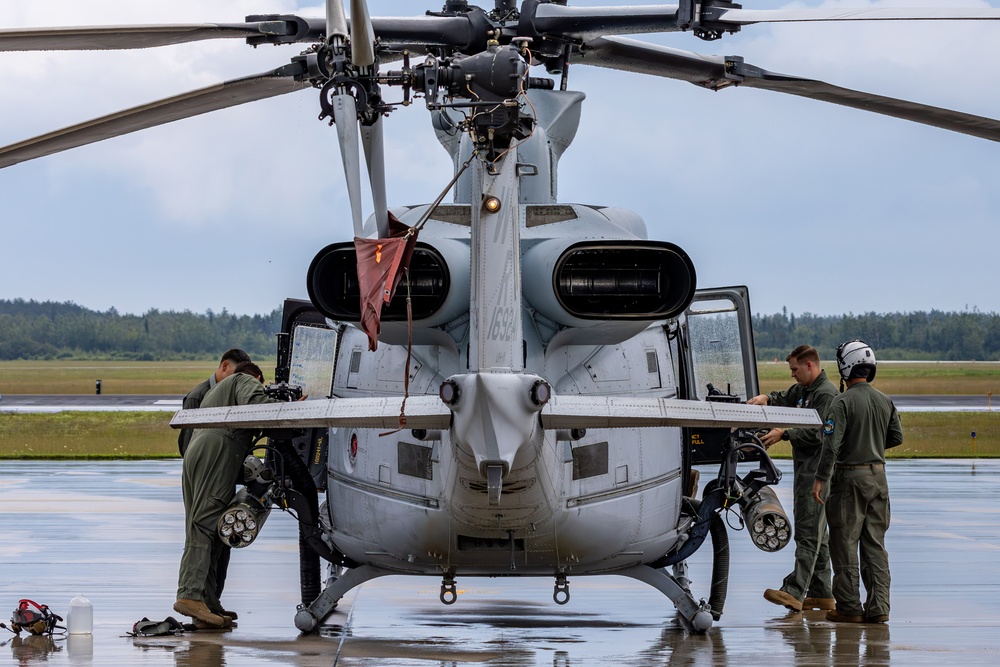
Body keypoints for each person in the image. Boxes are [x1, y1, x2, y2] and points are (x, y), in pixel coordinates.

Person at [174, 361, 280, 628]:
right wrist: (288, 406)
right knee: (205, 525)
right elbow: (257, 405)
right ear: (255, 376)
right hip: (215, 452)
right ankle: (190, 595)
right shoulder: (243, 379)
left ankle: (207, 604)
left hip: (208, 453)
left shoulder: (221, 391)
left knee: (216, 529)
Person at [811, 340, 903, 624]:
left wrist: (820, 479)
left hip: (848, 479)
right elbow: (896, 438)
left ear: (845, 367)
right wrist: (870, 448)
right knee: (875, 544)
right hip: (879, 477)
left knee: (844, 542)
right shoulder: (885, 400)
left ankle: (849, 607)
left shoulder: (842, 402)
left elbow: (831, 446)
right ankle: (879, 608)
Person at [748, 344, 839, 613]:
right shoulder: (806, 391)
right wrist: (766, 398)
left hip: (817, 473)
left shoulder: (826, 395)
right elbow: (786, 398)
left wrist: (785, 434)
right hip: (806, 470)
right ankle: (822, 592)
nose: (792, 375)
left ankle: (794, 590)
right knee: (818, 536)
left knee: (809, 533)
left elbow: (821, 434)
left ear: (809, 365)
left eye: (795, 369)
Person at [177, 348, 252, 457]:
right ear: (225, 366)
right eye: (236, 375)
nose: (238, 381)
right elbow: (187, 448)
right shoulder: (196, 398)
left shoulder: (235, 394)